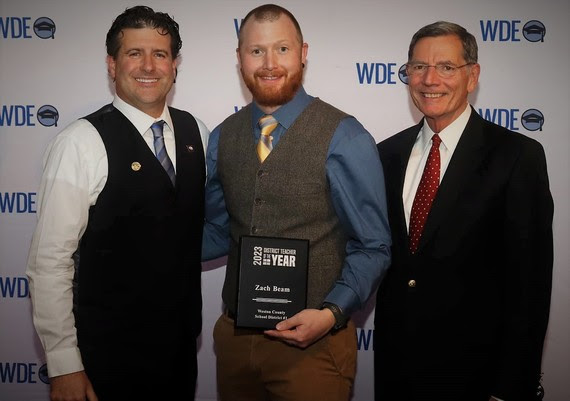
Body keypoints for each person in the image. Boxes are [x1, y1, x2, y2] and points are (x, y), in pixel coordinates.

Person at [201, 4, 391, 401]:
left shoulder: (346, 137)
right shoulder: (222, 137)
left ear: (303, 53)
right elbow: (219, 230)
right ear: (239, 58)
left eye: (282, 49)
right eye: (256, 51)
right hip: (235, 342)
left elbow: (373, 245)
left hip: (315, 350)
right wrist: (150, 244)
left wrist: (331, 313)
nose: (269, 63)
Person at [26, 6, 208, 401]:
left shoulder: (198, 133)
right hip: (104, 361)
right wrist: (64, 364)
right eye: (134, 53)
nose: (149, 66)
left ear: (174, 65)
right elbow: (49, 262)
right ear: (112, 65)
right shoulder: (79, 143)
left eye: (160, 54)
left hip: (179, 355)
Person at [374, 21, 553, 401]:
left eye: (446, 67)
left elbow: (530, 284)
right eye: (419, 67)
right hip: (396, 372)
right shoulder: (385, 154)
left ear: (472, 76)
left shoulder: (516, 156)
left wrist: (510, 387)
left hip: (478, 378)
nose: (429, 79)